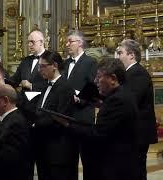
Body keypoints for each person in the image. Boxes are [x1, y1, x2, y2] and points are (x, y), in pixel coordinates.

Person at [55, 58, 138, 180]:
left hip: (115, 166)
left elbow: (98, 133)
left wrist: (67, 124)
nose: (95, 81)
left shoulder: (117, 100)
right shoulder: (121, 94)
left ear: (113, 79)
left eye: (99, 77)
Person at [117, 39, 158, 180]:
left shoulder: (137, 73)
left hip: (137, 131)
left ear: (131, 55)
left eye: (120, 53)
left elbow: (131, 101)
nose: (118, 56)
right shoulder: (130, 73)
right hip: (132, 131)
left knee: (136, 170)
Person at [34, 50, 77, 180]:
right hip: (44, 147)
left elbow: (60, 119)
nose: (40, 69)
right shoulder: (46, 85)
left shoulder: (65, 87)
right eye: (39, 66)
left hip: (58, 150)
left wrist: (34, 124)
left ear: (54, 65)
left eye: (43, 66)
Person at [63, 30, 98, 179]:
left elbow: (94, 86)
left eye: (70, 41)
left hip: (83, 117)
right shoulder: (65, 63)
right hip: (66, 117)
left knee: (89, 161)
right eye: (67, 41)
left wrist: (80, 99)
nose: (67, 44)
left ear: (80, 43)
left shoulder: (91, 62)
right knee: (68, 161)